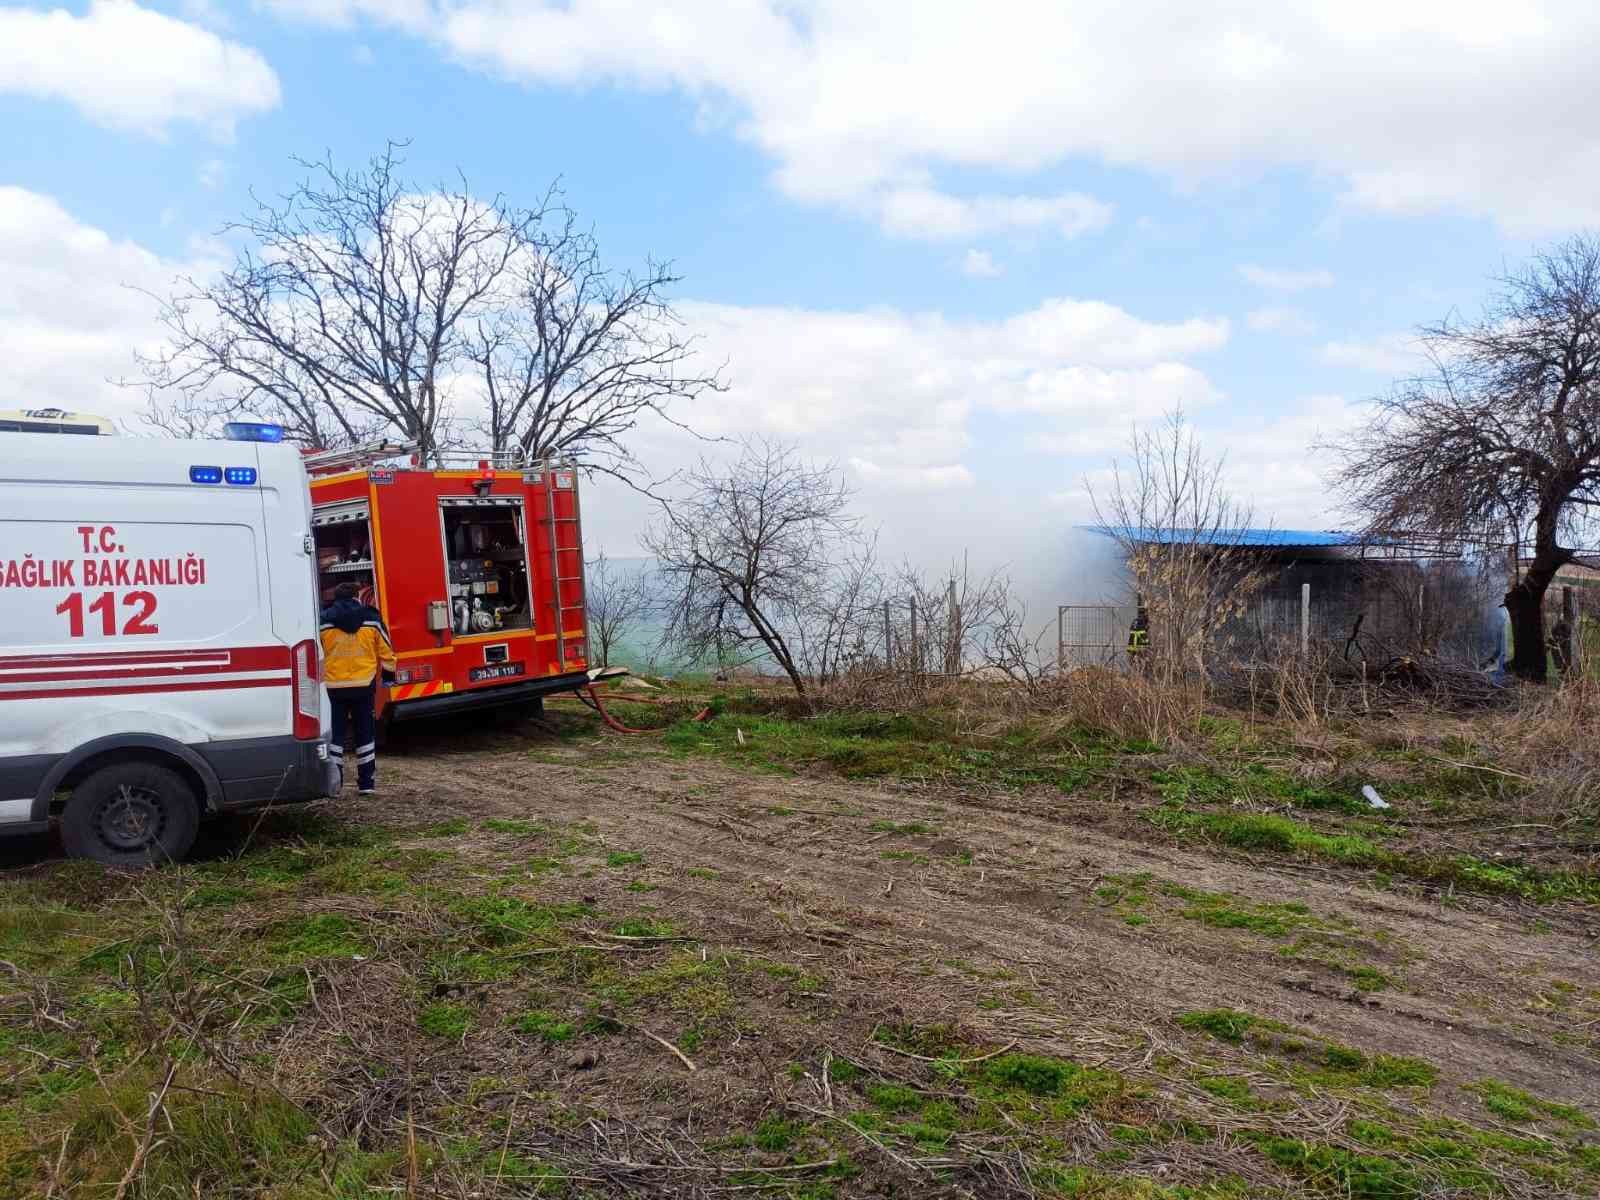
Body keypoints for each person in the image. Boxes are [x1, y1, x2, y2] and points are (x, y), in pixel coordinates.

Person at [319, 581, 396, 795]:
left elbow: (318, 651)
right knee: (365, 734)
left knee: (336, 737)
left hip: (334, 687)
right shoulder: (371, 618)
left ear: (335, 597)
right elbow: (387, 652)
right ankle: (366, 784)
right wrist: (388, 679)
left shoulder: (323, 621)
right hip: (363, 686)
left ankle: (335, 785)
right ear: (356, 596)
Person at [1126, 601, 1150, 669]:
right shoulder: (1143, 621)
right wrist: (1147, 644)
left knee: (1133, 659)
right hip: (1139, 644)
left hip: (1132, 643)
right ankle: (1140, 670)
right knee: (1142, 658)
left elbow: (1131, 629)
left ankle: (1134, 669)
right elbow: (1144, 634)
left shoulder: (1135, 620)